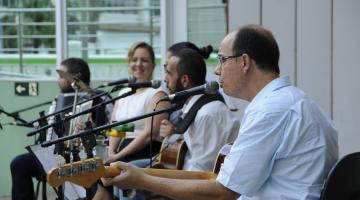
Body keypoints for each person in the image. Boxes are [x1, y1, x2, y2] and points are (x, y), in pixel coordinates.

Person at [102, 24, 339, 200]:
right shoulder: (297, 102)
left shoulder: (269, 111)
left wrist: (142, 180)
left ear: (244, 62)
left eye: (223, 60)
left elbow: (223, 193)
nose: (216, 71)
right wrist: (143, 174)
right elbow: (217, 179)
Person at [10, 57, 112, 200]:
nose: (58, 80)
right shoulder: (59, 99)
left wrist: (94, 128)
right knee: (19, 164)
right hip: (56, 156)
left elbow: (112, 126)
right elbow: (51, 124)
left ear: (73, 78)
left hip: (86, 157)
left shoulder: (101, 98)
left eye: (61, 76)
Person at [93, 42, 170, 200]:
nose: (138, 64)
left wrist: (118, 156)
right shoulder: (124, 93)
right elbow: (118, 127)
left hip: (145, 151)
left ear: (153, 65)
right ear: (129, 64)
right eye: (134, 60)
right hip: (120, 151)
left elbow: (149, 133)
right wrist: (111, 153)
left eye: (144, 60)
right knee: (93, 181)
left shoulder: (157, 93)